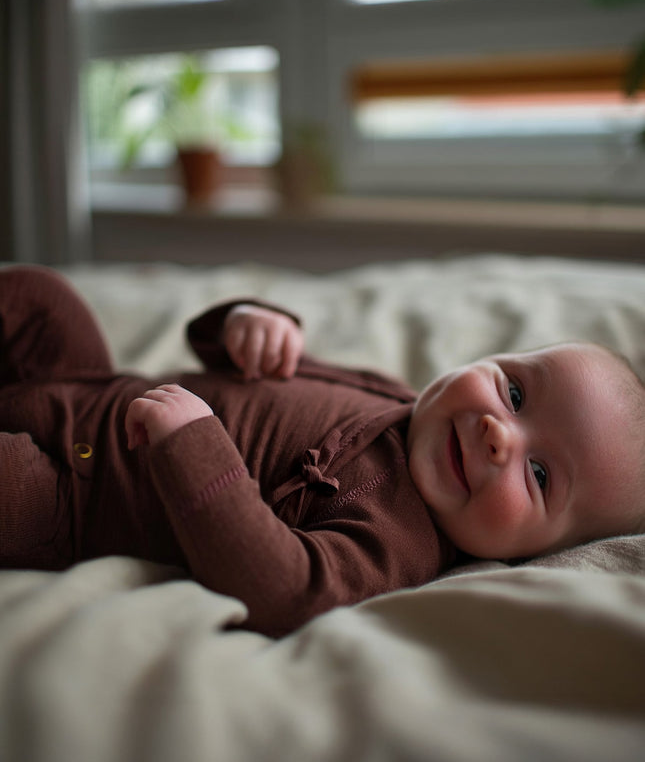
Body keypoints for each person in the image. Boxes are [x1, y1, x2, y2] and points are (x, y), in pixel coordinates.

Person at [1, 265, 644, 637]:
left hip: (71, 492)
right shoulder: (395, 396)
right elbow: (260, 370)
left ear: (539, 551)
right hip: (89, 383)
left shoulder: (396, 540)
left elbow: (289, 590)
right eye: (515, 391)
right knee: (39, 299)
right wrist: (249, 328)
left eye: (538, 474)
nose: (500, 433)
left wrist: (193, 449)